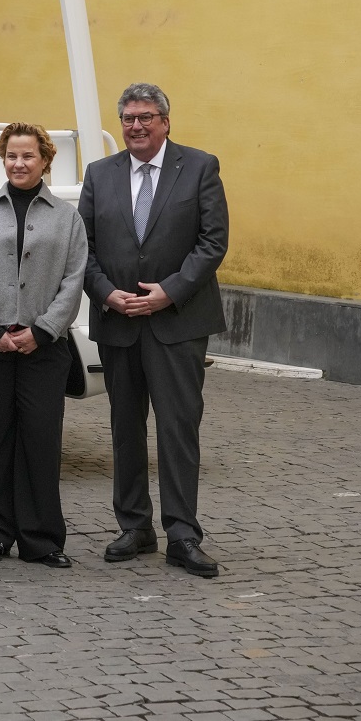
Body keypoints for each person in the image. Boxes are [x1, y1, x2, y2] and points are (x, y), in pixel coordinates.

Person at [78, 82, 229, 578]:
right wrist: (105, 293)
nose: (136, 126)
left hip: (178, 323)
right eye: (128, 118)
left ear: (166, 121)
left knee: (178, 428)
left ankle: (183, 534)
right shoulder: (100, 174)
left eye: (146, 117)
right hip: (118, 323)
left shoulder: (200, 166)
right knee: (125, 429)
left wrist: (169, 291)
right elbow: (84, 248)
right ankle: (134, 527)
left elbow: (213, 242)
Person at [0, 123, 87, 568]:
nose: (19, 164)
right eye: (12, 155)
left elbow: (74, 280)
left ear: (45, 160)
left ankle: (41, 538)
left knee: (39, 439)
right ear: (3, 158)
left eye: (28, 156)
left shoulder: (67, 217)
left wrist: (44, 330)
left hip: (43, 348)